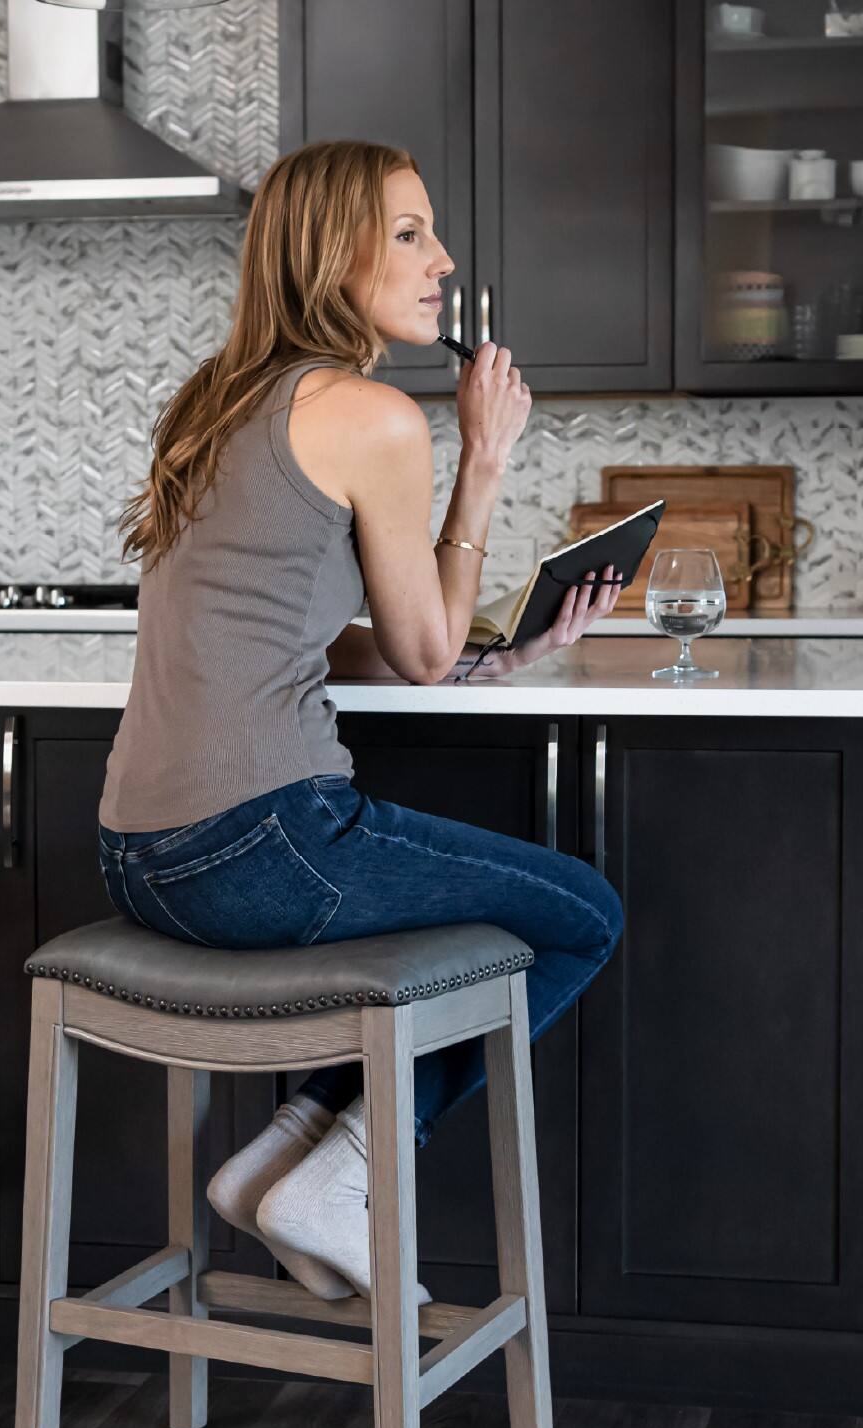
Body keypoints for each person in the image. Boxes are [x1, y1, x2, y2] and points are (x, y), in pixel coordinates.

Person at [97, 139, 625, 1303]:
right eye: (407, 234)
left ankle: (289, 1158)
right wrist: (483, 459)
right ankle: (350, 1165)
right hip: (261, 845)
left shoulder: (217, 398)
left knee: (505, 921)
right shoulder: (374, 415)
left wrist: (507, 655)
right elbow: (423, 644)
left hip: (141, 854)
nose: (441, 259)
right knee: (585, 915)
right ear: (329, 253)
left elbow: (337, 641)